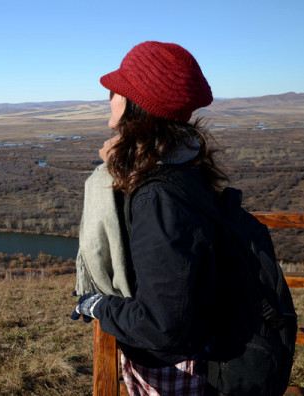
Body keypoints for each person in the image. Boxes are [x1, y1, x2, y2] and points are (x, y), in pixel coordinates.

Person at [71, 41, 229, 395]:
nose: (109, 97)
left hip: (175, 365)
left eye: (115, 90)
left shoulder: (158, 194)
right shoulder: (184, 167)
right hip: (195, 350)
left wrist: (98, 305)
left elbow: (163, 324)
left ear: (130, 102)